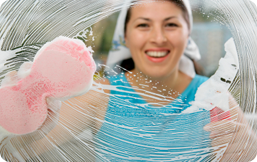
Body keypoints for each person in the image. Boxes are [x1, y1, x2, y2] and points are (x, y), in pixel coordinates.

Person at [2, 0, 257, 161]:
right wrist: (21, 120)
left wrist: (249, 151)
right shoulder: (100, 95)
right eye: (143, 25)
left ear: (187, 33)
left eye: (170, 25)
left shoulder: (213, 96)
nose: (158, 37)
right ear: (126, 36)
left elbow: (245, 152)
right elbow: (13, 153)